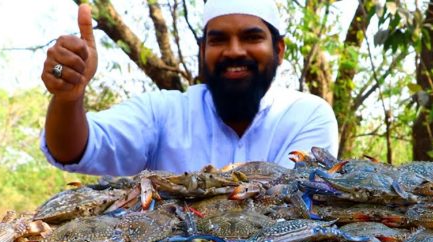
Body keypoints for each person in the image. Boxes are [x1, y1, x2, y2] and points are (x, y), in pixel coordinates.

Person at [40, 0, 339, 176]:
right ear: (202, 51)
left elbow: (292, 200)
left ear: (279, 49)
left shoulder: (307, 115)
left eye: (251, 37)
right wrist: (69, 98)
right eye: (218, 39)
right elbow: (74, 149)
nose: (234, 51)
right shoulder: (162, 113)